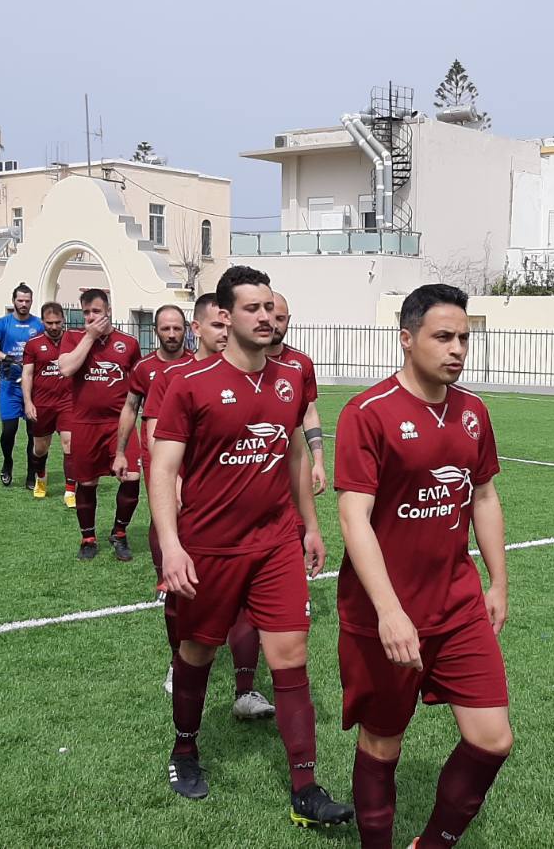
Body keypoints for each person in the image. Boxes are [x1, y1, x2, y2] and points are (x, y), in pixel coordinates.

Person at [149, 265, 353, 826]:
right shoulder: (191, 383)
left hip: (275, 544)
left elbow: (292, 454)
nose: (265, 318)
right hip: (210, 546)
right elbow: (162, 469)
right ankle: (185, 749)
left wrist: (310, 526)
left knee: (291, 657)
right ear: (225, 316)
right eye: (252, 309)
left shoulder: (290, 379)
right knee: (196, 651)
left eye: (270, 308)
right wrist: (172, 545)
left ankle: (305, 790)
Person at [335, 284, 512, 849]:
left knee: (492, 739)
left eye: (464, 338)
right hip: (383, 612)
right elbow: (354, 518)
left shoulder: (473, 412)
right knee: (382, 743)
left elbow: (483, 496)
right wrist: (390, 612)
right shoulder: (368, 413)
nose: (457, 349)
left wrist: (498, 582)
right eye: (443, 337)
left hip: (457, 604)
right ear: (407, 339)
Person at [138, 295, 274, 718]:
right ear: (198, 329)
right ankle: (177, 662)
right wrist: (177, 487)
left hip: (233, 517)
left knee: (245, 598)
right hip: (183, 511)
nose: (226, 332)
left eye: (228, 324)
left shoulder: (249, 376)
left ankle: (246, 688)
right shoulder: (174, 378)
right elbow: (156, 438)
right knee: (180, 591)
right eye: (218, 325)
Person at [55, 288, 139, 560]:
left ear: (109, 311)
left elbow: (138, 385)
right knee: (87, 482)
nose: (91, 317)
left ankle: (120, 533)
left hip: (119, 423)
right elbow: (66, 368)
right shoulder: (73, 337)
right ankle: (88, 538)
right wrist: (90, 337)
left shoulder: (128, 343)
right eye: (86, 313)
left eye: (97, 311)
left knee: (132, 477)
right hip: (85, 423)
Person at [113, 304, 189, 559]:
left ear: (186, 330)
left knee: (193, 509)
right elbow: (130, 408)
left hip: (191, 448)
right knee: (165, 509)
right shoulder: (144, 367)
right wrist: (121, 453)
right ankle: (163, 571)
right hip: (155, 449)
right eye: (166, 329)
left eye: (177, 328)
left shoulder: (196, 363)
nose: (171, 334)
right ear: (155, 330)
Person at [0, 284, 44, 487]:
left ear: (31, 302)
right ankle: (7, 462)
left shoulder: (39, 325)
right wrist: (8, 358)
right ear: (13, 301)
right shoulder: (2, 323)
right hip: (10, 386)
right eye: (20, 300)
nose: (24, 304)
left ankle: (31, 474)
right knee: (8, 431)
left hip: (35, 388)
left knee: (33, 434)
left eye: (27, 301)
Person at [267, 291, 326, 496]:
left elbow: (309, 413)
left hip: (291, 461)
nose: (275, 325)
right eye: (270, 318)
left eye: (281, 318)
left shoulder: (301, 363)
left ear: (288, 320)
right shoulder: (243, 363)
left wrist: (318, 461)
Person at [21, 302, 79, 506]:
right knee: (40, 449)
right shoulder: (33, 344)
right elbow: (27, 375)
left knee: (69, 444)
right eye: (49, 323)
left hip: (67, 402)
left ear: (63, 320)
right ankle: (41, 478)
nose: (54, 327)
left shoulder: (73, 342)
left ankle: (70, 491)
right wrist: (28, 402)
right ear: (42, 322)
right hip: (42, 404)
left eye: (57, 322)